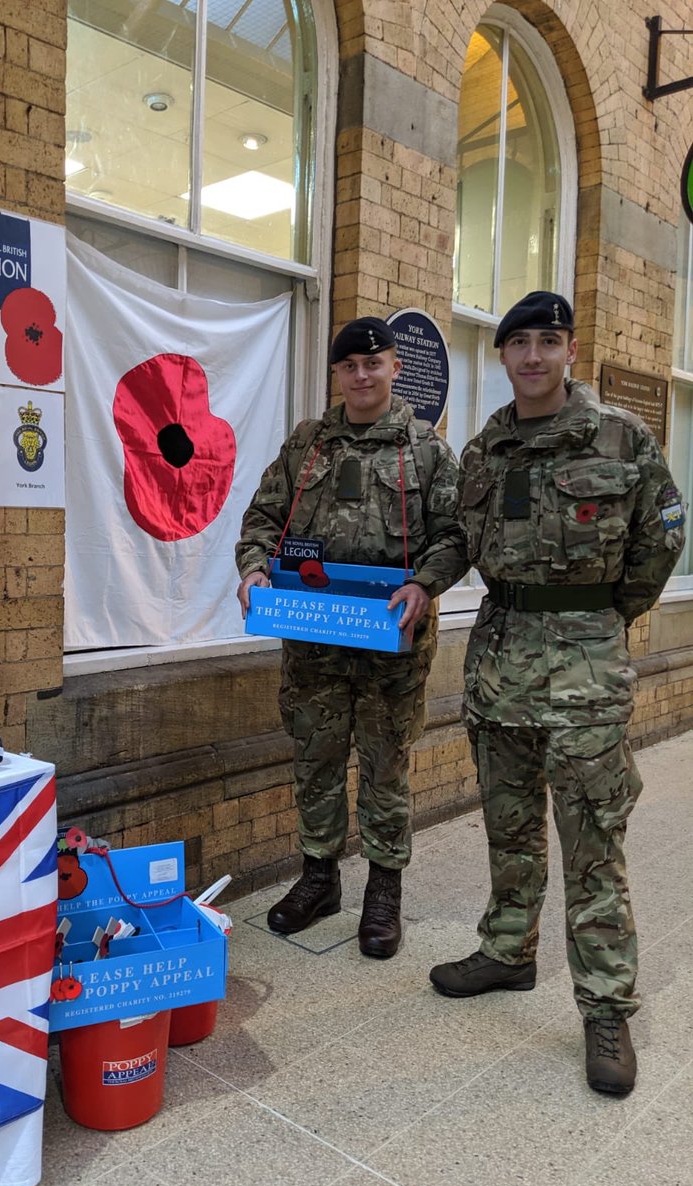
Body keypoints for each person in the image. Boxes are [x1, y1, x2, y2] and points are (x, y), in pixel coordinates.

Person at [429, 291, 685, 1095]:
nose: (533, 356)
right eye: (519, 344)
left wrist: (601, 620)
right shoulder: (484, 450)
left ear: (568, 350)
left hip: (583, 674)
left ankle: (605, 1006)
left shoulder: (623, 438)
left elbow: (661, 539)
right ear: (501, 357)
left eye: (547, 341)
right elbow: (458, 541)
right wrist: (420, 584)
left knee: (592, 845)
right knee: (509, 828)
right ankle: (508, 952)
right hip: (500, 664)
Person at [236, 316, 465, 957]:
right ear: (336, 374)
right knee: (316, 761)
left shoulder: (426, 450)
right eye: (348, 366)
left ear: (395, 367)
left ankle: (383, 890)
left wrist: (425, 584)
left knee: (386, 767)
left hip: (392, 646)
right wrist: (253, 567)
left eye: (374, 363)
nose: (361, 375)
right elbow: (263, 516)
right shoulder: (307, 444)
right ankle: (319, 878)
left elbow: (455, 534)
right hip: (314, 644)